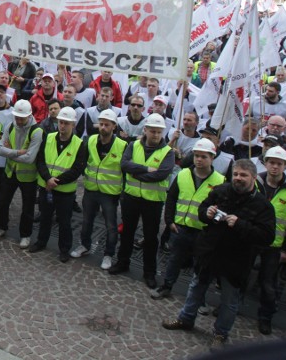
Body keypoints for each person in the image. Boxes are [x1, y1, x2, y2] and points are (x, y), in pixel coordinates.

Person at [162, 160, 275, 348]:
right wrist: (207, 212)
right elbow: (201, 211)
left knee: (229, 299)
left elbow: (266, 237)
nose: (238, 178)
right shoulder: (221, 191)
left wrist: (240, 224)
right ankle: (186, 318)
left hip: (236, 259)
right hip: (209, 252)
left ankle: (221, 334)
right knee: (196, 287)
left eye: (243, 175)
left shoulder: (262, 205)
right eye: (236, 174)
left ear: (254, 178)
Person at [151, 139, 225, 300]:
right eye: (196, 156)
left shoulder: (220, 181)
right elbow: (171, 198)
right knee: (174, 260)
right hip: (180, 227)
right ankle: (167, 286)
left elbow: (221, 208)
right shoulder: (183, 174)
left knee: (201, 266)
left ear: (212, 158)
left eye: (203, 157)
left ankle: (199, 297)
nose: (198, 159)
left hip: (202, 231)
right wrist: (169, 221)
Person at [109, 114, 175, 288]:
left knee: (151, 238)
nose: (155, 135)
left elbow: (161, 174)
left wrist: (136, 173)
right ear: (145, 130)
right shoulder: (133, 145)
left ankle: (149, 272)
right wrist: (146, 169)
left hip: (152, 202)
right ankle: (123, 262)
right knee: (127, 232)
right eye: (152, 131)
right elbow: (124, 165)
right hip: (131, 197)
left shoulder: (168, 152)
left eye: (159, 132)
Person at [254, 145, 286, 335]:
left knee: (268, 284)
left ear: (285, 166)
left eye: (279, 164)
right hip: (252, 238)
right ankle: (231, 306)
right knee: (241, 276)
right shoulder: (255, 182)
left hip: (275, 245)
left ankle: (265, 317)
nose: (275, 167)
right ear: (266, 163)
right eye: (272, 163)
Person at [71, 110, 128, 270]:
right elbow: (83, 161)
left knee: (110, 225)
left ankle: (108, 254)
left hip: (110, 192)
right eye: (101, 124)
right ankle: (84, 245)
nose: (103, 127)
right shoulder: (90, 140)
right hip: (91, 188)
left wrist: (123, 192)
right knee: (87, 220)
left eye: (106, 124)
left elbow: (125, 171)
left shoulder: (122, 145)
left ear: (114, 126)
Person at [31, 106, 88, 260]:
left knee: (65, 222)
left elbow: (77, 169)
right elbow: (40, 160)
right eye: (61, 122)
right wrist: (47, 178)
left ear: (73, 125)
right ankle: (41, 242)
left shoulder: (79, 144)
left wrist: (56, 181)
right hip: (46, 187)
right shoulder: (48, 138)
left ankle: (64, 249)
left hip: (65, 192)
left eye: (66, 123)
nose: (62, 126)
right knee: (45, 217)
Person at [0, 100, 44, 249]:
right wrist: (17, 152)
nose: (18, 120)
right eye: (17, 117)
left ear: (29, 116)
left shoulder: (37, 131)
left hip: (28, 177)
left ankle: (25, 235)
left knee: (27, 208)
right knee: (3, 202)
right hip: (10, 172)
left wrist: (9, 153)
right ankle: (1, 227)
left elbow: (30, 158)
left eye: (21, 118)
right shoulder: (10, 126)